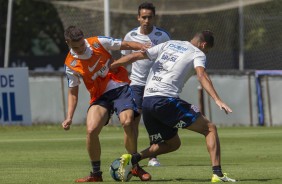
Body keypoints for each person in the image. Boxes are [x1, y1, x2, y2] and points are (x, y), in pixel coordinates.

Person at [111, 30, 237, 182]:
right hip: (165, 100)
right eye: (208, 50)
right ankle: (217, 174)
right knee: (210, 129)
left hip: (147, 101)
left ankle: (133, 158)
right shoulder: (198, 53)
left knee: (173, 143)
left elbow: (136, 55)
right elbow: (201, 75)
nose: (206, 53)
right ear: (203, 45)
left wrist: (111, 66)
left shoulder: (169, 44)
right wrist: (217, 99)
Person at [61, 25, 151, 182]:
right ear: (67, 42)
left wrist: (143, 46)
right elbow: (73, 93)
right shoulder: (70, 64)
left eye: (82, 44)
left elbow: (126, 44)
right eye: (76, 47)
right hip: (100, 96)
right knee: (91, 129)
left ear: (84, 38)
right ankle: (96, 174)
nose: (81, 48)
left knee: (127, 122)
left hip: (120, 88)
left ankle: (134, 166)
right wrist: (69, 117)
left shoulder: (98, 42)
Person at [121, 1, 170, 167]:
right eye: (144, 17)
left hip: (155, 85)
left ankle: (153, 156)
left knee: (153, 120)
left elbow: (168, 59)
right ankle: (133, 157)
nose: (146, 20)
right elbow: (126, 59)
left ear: (154, 17)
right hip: (136, 84)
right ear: (138, 18)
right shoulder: (130, 36)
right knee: (133, 121)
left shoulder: (162, 36)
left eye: (149, 17)